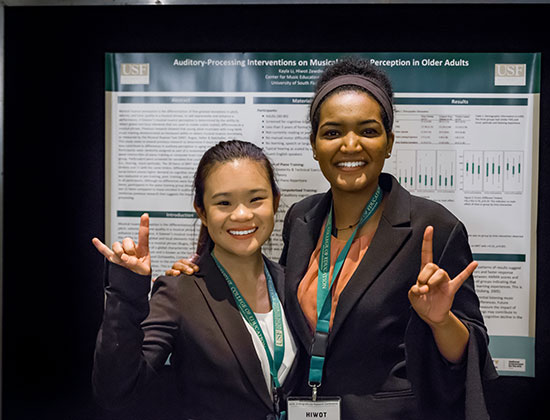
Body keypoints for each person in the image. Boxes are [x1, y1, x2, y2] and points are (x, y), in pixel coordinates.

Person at [169, 57, 498, 420]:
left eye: (368, 131)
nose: (350, 144)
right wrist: (204, 274)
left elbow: (470, 355)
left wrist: (440, 320)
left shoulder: (432, 227)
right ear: (314, 145)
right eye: (333, 132)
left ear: (389, 142)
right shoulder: (302, 219)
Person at [91, 140, 298, 420]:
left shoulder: (295, 284)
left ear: (275, 201)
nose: (241, 214)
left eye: (255, 199)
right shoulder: (180, 291)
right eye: (224, 202)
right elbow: (116, 391)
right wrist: (126, 292)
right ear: (201, 211)